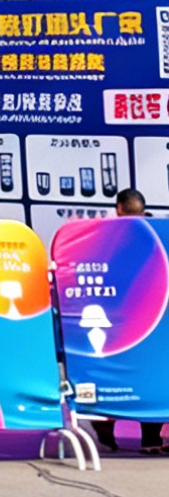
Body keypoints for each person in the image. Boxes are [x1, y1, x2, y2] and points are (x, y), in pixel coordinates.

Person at [93, 191, 163, 453]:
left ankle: (104, 430)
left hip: (118, 318)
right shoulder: (157, 233)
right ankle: (151, 440)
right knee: (152, 376)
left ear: (119, 208)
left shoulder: (104, 236)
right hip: (152, 319)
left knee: (112, 375)